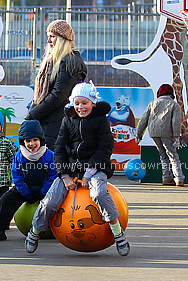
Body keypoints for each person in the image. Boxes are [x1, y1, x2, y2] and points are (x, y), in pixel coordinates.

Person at [25, 82, 130, 257]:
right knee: (50, 201)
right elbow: (59, 148)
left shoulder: (101, 120)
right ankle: (35, 232)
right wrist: (64, 175)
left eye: (85, 103)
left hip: (96, 168)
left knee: (99, 193)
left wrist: (90, 172)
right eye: (77, 103)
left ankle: (118, 233)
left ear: (93, 103)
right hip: (70, 170)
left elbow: (105, 147)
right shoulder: (67, 120)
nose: (81, 107)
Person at [0, 119, 57, 241]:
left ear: (41, 140)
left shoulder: (49, 155)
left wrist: (43, 192)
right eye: (28, 141)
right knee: (5, 200)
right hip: (25, 188)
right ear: (23, 142)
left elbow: (52, 176)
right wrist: (25, 193)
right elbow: (17, 176)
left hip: (45, 189)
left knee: (56, 202)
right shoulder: (19, 156)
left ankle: (57, 229)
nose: (32, 144)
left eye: (35, 140)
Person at [27, 20, 87, 148]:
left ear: (63, 39)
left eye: (52, 37)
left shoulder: (70, 62)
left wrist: (33, 114)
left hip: (58, 123)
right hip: (49, 121)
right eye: (48, 36)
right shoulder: (53, 61)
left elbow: (57, 96)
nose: (48, 41)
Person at [134, 83, 185, 186]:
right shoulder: (174, 105)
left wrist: (139, 134)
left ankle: (166, 177)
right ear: (171, 94)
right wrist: (176, 136)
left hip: (153, 132)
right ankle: (179, 178)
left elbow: (143, 120)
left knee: (163, 155)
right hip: (167, 132)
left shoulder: (152, 104)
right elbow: (176, 121)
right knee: (172, 155)